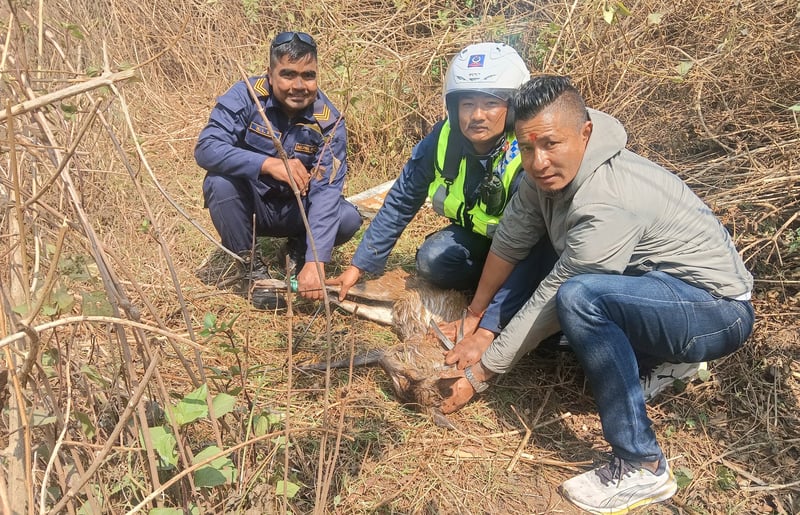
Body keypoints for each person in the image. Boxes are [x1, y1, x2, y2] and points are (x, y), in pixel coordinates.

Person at [440, 75, 755, 513]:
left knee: (580, 300)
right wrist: (474, 316)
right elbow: (510, 242)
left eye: (551, 144)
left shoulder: (607, 197)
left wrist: (481, 374)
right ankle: (670, 362)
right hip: (656, 292)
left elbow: (557, 293)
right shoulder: (541, 177)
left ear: (585, 133)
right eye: (527, 148)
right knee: (573, 333)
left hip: (716, 310)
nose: (538, 160)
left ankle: (641, 464)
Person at [328, 42, 556, 338]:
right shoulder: (443, 138)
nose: (477, 115)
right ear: (453, 107)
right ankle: (488, 289)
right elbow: (402, 200)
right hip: (480, 241)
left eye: (490, 104)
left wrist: (484, 323)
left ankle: (501, 301)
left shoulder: (526, 149)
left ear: (511, 108)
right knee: (432, 260)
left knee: (539, 324)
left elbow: (530, 240)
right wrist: (359, 266)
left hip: (529, 250)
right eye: (467, 104)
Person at [195, 31, 362, 309]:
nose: (299, 85)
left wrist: (316, 260)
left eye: (308, 76)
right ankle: (250, 270)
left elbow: (326, 191)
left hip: (296, 209)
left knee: (346, 218)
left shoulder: (329, 122)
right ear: (270, 75)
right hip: (251, 206)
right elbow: (206, 148)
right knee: (219, 183)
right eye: (288, 74)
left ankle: (298, 249)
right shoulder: (246, 97)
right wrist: (267, 164)